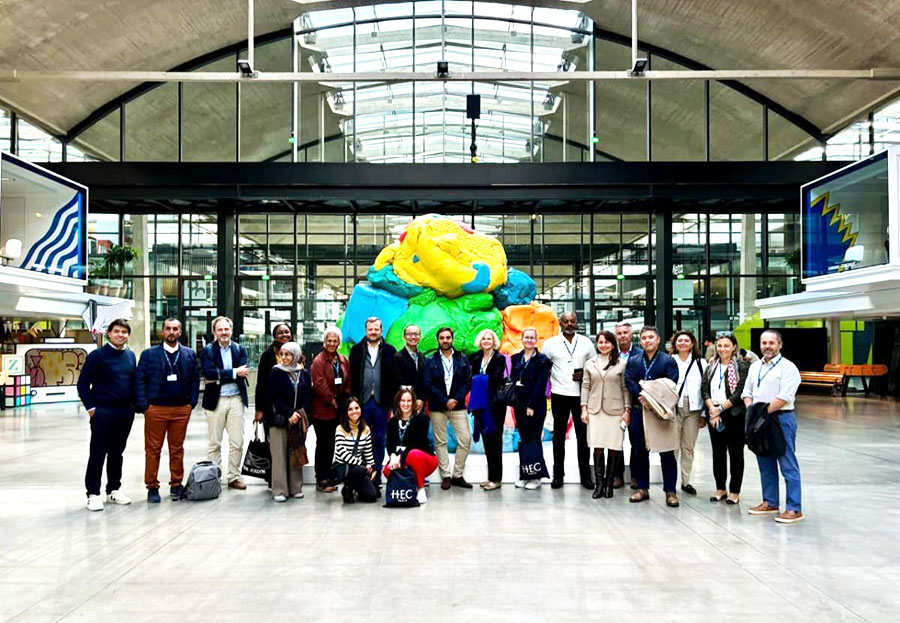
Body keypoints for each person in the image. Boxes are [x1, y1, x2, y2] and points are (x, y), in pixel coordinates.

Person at [134, 318, 199, 503]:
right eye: (168, 329)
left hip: (181, 409)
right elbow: (140, 380)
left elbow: (195, 379)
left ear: (180, 332)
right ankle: (152, 487)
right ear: (162, 332)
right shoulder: (149, 354)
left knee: (177, 449)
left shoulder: (189, 354)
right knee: (153, 450)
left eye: (175, 329)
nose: (172, 332)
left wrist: (191, 403)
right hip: (156, 408)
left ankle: (176, 485)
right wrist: (144, 406)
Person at [742, 330, 804, 524]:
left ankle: (794, 508)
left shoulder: (788, 368)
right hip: (760, 420)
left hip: (780, 418)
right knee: (764, 461)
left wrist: (760, 413)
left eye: (771, 343)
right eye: (764, 343)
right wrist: (752, 410)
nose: (767, 346)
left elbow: (785, 397)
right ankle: (770, 502)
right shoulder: (755, 367)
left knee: (787, 463)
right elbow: (747, 392)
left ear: (780, 345)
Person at [78, 319, 137, 511]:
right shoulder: (98, 356)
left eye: (124, 332)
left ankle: (113, 489)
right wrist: (91, 408)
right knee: (98, 452)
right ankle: (93, 493)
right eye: (117, 331)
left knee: (117, 453)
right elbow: (83, 384)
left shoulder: (130, 356)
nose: (121, 335)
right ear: (109, 334)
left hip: (124, 412)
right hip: (102, 411)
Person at [624, 326, 681, 507]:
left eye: (651, 337)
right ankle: (642, 488)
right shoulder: (634, 360)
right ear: (640, 341)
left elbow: (670, 384)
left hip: (660, 412)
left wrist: (651, 396)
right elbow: (629, 380)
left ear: (658, 340)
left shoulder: (668, 361)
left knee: (666, 451)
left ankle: (670, 491)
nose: (647, 340)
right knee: (640, 450)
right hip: (639, 410)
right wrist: (643, 395)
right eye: (644, 338)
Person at [542, 311, 597, 489]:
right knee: (558, 437)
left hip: (581, 395)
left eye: (572, 321)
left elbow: (594, 365)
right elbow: (543, 367)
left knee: (583, 438)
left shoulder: (586, 342)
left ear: (576, 322)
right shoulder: (551, 344)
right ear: (560, 323)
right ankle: (558, 475)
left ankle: (586, 476)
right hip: (559, 394)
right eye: (566, 321)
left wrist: (584, 373)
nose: (569, 324)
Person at [199, 316, 250, 490]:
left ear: (231, 330)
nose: (224, 333)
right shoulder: (208, 351)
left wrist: (221, 376)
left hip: (236, 399)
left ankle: (233, 477)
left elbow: (243, 371)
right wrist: (235, 373)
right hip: (216, 401)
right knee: (215, 443)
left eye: (226, 329)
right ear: (214, 332)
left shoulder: (240, 349)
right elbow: (209, 373)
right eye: (220, 330)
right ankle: (214, 477)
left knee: (237, 442)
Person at [701, 331, 750, 504]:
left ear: (734, 347)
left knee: (736, 454)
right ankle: (720, 488)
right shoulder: (711, 365)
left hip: (733, 414)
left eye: (726, 345)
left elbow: (740, 391)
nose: (723, 349)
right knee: (718, 453)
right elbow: (704, 389)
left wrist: (720, 408)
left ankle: (735, 491)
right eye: (720, 345)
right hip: (714, 413)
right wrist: (712, 409)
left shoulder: (742, 366)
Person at [581, 330, 630, 499]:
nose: (603, 345)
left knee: (614, 447)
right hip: (595, 410)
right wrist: (584, 408)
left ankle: (609, 483)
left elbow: (625, 388)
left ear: (613, 343)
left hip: (615, 411)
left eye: (607, 342)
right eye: (600, 342)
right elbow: (585, 386)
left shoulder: (621, 364)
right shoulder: (590, 363)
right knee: (598, 447)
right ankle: (599, 484)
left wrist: (627, 410)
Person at [349, 317, 397, 486]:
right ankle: (361, 476)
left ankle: (375, 477)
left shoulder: (391, 351)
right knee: (361, 440)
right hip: (361, 402)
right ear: (366, 330)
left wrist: (392, 403)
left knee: (378, 439)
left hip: (381, 402)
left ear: (381, 331)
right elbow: (352, 377)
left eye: (376, 329)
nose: (373, 332)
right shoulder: (356, 350)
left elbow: (393, 378)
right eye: (370, 329)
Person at [424, 326, 473, 490]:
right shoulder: (430, 360)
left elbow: (467, 381)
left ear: (452, 339)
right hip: (438, 406)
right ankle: (446, 475)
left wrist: (455, 400)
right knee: (440, 441)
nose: (445, 340)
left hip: (458, 406)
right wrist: (445, 400)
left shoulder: (462, 358)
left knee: (465, 439)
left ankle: (457, 475)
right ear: (438, 340)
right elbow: (428, 384)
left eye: (448, 337)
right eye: (442, 338)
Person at [266, 341, 311, 502]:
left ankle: (295, 487)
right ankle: (280, 490)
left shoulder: (304, 373)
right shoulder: (276, 372)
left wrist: (299, 414)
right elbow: (273, 397)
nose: (284, 358)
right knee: (279, 455)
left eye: (288, 354)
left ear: (296, 355)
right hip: (280, 420)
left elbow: (308, 396)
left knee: (295, 452)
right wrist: (288, 414)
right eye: (282, 354)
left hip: (297, 420)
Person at [309, 326, 351, 492]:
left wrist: (344, 400)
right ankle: (321, 479)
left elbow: (348, 380)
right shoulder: (318, 361)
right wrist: (333, 400)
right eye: (329, 341)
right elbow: (319, 385)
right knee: (323, 446)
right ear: (324, 342)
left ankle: (329, 476)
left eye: (335, 341)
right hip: (322, 411)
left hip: (338, 410)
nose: (332, 343)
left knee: (332, 445)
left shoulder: (343, 359)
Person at [509, 327, 552, 490]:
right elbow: (513, 380)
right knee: (524, 438)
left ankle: (536, 476)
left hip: (535, 405)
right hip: (519, 405)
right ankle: (525, 474)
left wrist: (531, 405)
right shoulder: (516, 358)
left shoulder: (543, 360)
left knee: (534, 438)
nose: (528, 340)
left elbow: (540, 384)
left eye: (531, 337)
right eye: (526, 337)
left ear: (536, 340)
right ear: (522, 339)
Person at [468, 329, 508, 491]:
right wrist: (480, 379)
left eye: (489, 338)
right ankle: (491, 477)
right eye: (483, 338)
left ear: (494, 341)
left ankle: (496, 479)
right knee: (487, 441)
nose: (486, 341)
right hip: (480, 405)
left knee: (495, 442)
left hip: (495, 406)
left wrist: (479, 379)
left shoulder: (499, 358)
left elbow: (496, 378)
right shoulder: (476, 357)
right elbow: (470, 376)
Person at [384, 388, 438, 504]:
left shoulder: (422, 419)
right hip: (402, 458)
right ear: (398, 402)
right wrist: (393, 456)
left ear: (413, 403)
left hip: (424, 459)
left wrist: (399, 458)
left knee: (413, 455)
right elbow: (390, 444)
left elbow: (416, 444)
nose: (406, 404)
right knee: (387, 470)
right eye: (403, 400)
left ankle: (420, 488)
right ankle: (408, 486)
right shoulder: (392, 422)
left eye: (409, 401)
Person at [672, 330, 708, 496]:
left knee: (688, 447)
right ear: (675, 343)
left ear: (693, 344)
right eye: (680, 340)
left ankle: (685, 482)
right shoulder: (669, 361)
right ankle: (670, 481)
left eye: (687, 340)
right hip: (673, 407)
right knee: (672, 447)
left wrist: (704, 415)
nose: (683, 343)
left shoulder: (701, 363)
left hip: (694, 409)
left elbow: (706, 389)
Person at [333, 396, 378, 504]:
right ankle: (347, 488)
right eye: (350, 409)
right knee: (361, 470)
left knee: (372, 496)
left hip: (359, 468)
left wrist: (372, 467)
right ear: (346, 412)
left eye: (357, 408)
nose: (354, 411)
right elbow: (342, 453)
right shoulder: (340, 428)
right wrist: (362, 464)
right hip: (343, 466)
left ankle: (356, 488)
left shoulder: (366, 429)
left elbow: (368, 451)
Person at [613, 321, 642, 489]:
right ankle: (617, 475)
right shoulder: (609, 353)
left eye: (625, 332)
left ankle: (635, 476)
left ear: (631, 334)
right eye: (619, 333)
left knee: (636, 441)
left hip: (636, 402)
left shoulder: (640, 353)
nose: (623, 335)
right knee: (616, 441)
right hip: (615, 403)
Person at [254, 323, 294, 427]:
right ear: (275, 336)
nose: (284, 335)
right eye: (280, 333)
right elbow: (261, 384)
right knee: (275, 441)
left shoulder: (297, 354)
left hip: (293, 407)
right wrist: (259, 409)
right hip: (272, 407)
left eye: (287, 332)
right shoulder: (267, 355)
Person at [393, 324, 426, 412]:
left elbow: (424, 381)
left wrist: (421, 399)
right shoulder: (398, 357)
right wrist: (412, 400)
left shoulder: (422, 357)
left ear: (420, 336)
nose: (413, 337)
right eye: (410, 334)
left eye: (416, 334)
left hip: (420, 405)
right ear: (404, 337)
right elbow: (397, 382)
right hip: (404, 404)